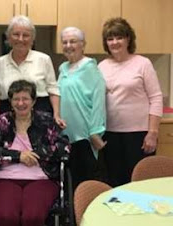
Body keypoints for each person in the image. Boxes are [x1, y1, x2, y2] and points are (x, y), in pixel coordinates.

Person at [0, 80, 70, 226]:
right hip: (4, 178)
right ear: (10, 101)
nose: (21, 103)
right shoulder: (1, 122)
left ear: (34, 101)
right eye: (16, 99)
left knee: (32, 218)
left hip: (41, 178)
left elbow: (64, 147)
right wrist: (18, 156)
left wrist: (37, 154)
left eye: (25, 99)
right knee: (6, 217)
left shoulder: (46, 121)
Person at [98, 18, 163, 187]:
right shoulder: (102, 66)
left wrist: (153, 132)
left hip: (139, 135)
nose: (114, 42)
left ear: (128, 39)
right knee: (115, 184)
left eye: (119, 37)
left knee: (139, 183)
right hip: (110, 134)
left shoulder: (142, 64)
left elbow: (156, 98)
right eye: (110, 39)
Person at [0, 15, 66, 128]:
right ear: (9, 38)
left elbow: (53, 89)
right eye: (16, 34)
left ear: (32, 39)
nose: (20, 39)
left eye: (25, 35)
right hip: (8, 115)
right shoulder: (0, 62)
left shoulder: (44, 59)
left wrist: (56, 115)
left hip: (40, 113)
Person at [57, 27, 107, 189]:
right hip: (67, 136)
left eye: (73, 41)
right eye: (64, 42)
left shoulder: (90, 68)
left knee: (88, 184)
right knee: (72, 185)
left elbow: (99, 101)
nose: (68, 45)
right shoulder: (63, 68)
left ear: (83, 45)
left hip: (86, 137)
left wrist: (95, 132)